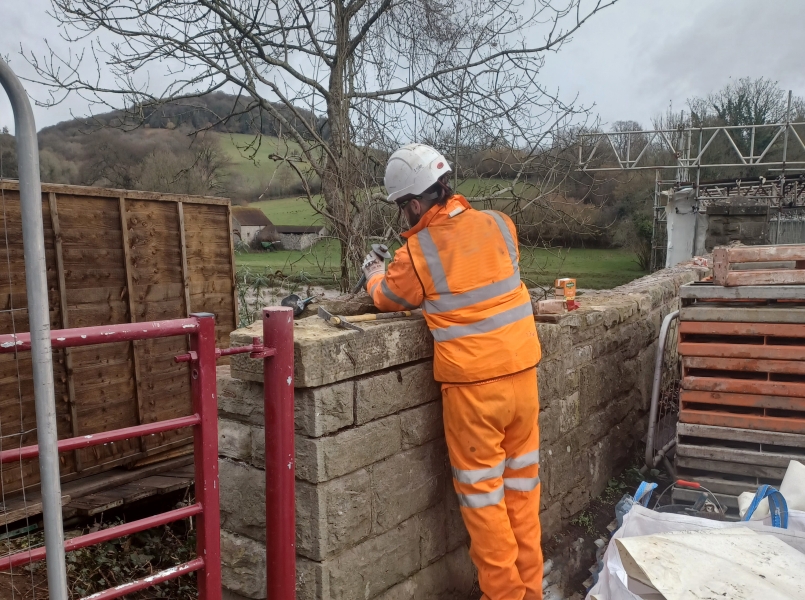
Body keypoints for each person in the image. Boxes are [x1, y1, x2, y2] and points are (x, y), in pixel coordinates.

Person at [362, 143, 543, 600]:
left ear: (416, 204)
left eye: (404, 207)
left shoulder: (418, 252)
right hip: (523, 376)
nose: (404, 216)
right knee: (523, 493)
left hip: (474, 391)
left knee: (484, 501)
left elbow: (389, 297)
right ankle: (532, 591)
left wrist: (372, 271)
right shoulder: (501, 225)